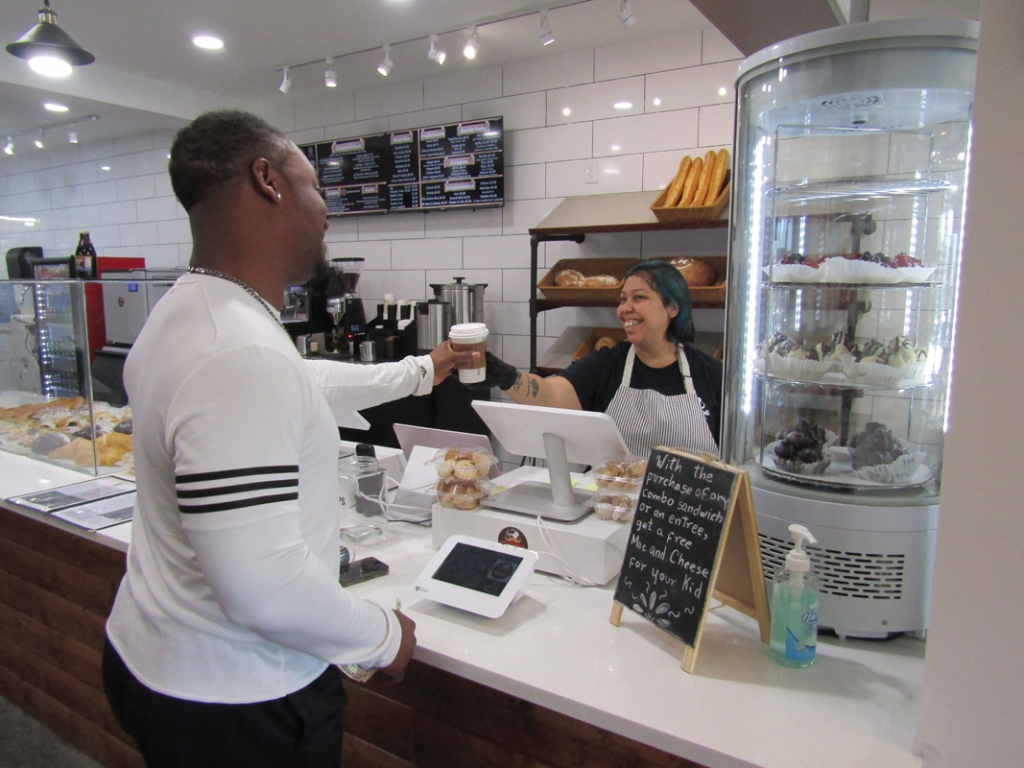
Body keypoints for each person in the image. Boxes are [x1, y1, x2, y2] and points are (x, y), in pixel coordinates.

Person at [102, 110, 476, 768]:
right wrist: (383, 636)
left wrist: (424, 367)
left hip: (159, 660)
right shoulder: (237, 352)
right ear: (268, 180)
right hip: (238, 703)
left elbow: (302, 383)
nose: (326, 208)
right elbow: (262, 587)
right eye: (314, 183)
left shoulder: (192, 313)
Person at [477, 260, 722, 458]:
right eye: (623, 298)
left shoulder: (711, 374)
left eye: (639, 297)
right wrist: (507, 377)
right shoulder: (606, 365)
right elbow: (551, 394)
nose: (625, 308)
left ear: (672, 307)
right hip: (613, 506)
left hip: (686, 514)